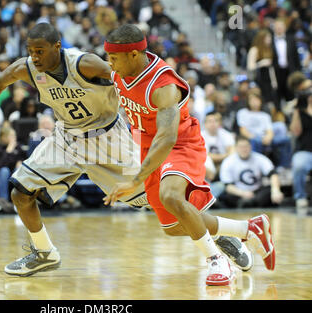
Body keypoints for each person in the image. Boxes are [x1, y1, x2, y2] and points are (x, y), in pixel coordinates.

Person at [0, 23, 149, 277]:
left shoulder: (85, 64)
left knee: (154, 199)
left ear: (57, 47)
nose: (34, 57)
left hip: (108, 138)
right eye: (30, 51)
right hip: (66, 138)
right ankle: (45, 252)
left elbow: (129, 75)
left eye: (40, 51)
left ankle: (210, 231)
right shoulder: (28, 68)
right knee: (20, 193)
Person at [103, 24, 276, 286]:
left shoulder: (163, 86)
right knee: (173, 227)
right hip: (147, 144)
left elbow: (167, 138)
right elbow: (90, 65)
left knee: (170, 195)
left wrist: (135, 180)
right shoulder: (119, 70)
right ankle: (248, 229)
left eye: (114, 58)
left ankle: (216, 261)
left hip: (180, 142)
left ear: (134, 55)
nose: (110, 63)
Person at [219, 135, 284, 209]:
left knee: (269, 192)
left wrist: (275, 190)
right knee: (226, 197)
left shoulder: (260, 158)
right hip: (238, 193)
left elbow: (273, 174)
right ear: (236, 148)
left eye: (246, 146)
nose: (244, 149)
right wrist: (243, 193)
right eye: (241, 147)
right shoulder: (228, 161)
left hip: (257, 192)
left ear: (251, 147)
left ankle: (251, 204)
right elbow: (228, 186)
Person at [289, 86, 312, 215]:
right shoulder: (301, 111)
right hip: (305, 151)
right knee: (299, 165)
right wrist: (297, 110)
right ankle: (300, 197)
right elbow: (295, 131)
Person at [0, 127, 26, 200]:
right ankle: (3, 200)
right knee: (4, 170)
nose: (14, 138)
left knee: (19, 169)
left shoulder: (18, 147)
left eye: (14, 135)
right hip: (2, 174)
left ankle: (20, 200)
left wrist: (20, 162)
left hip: (14, 172)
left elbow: (24, 158)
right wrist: (8, 151)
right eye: (11, 136)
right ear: (3, 137)